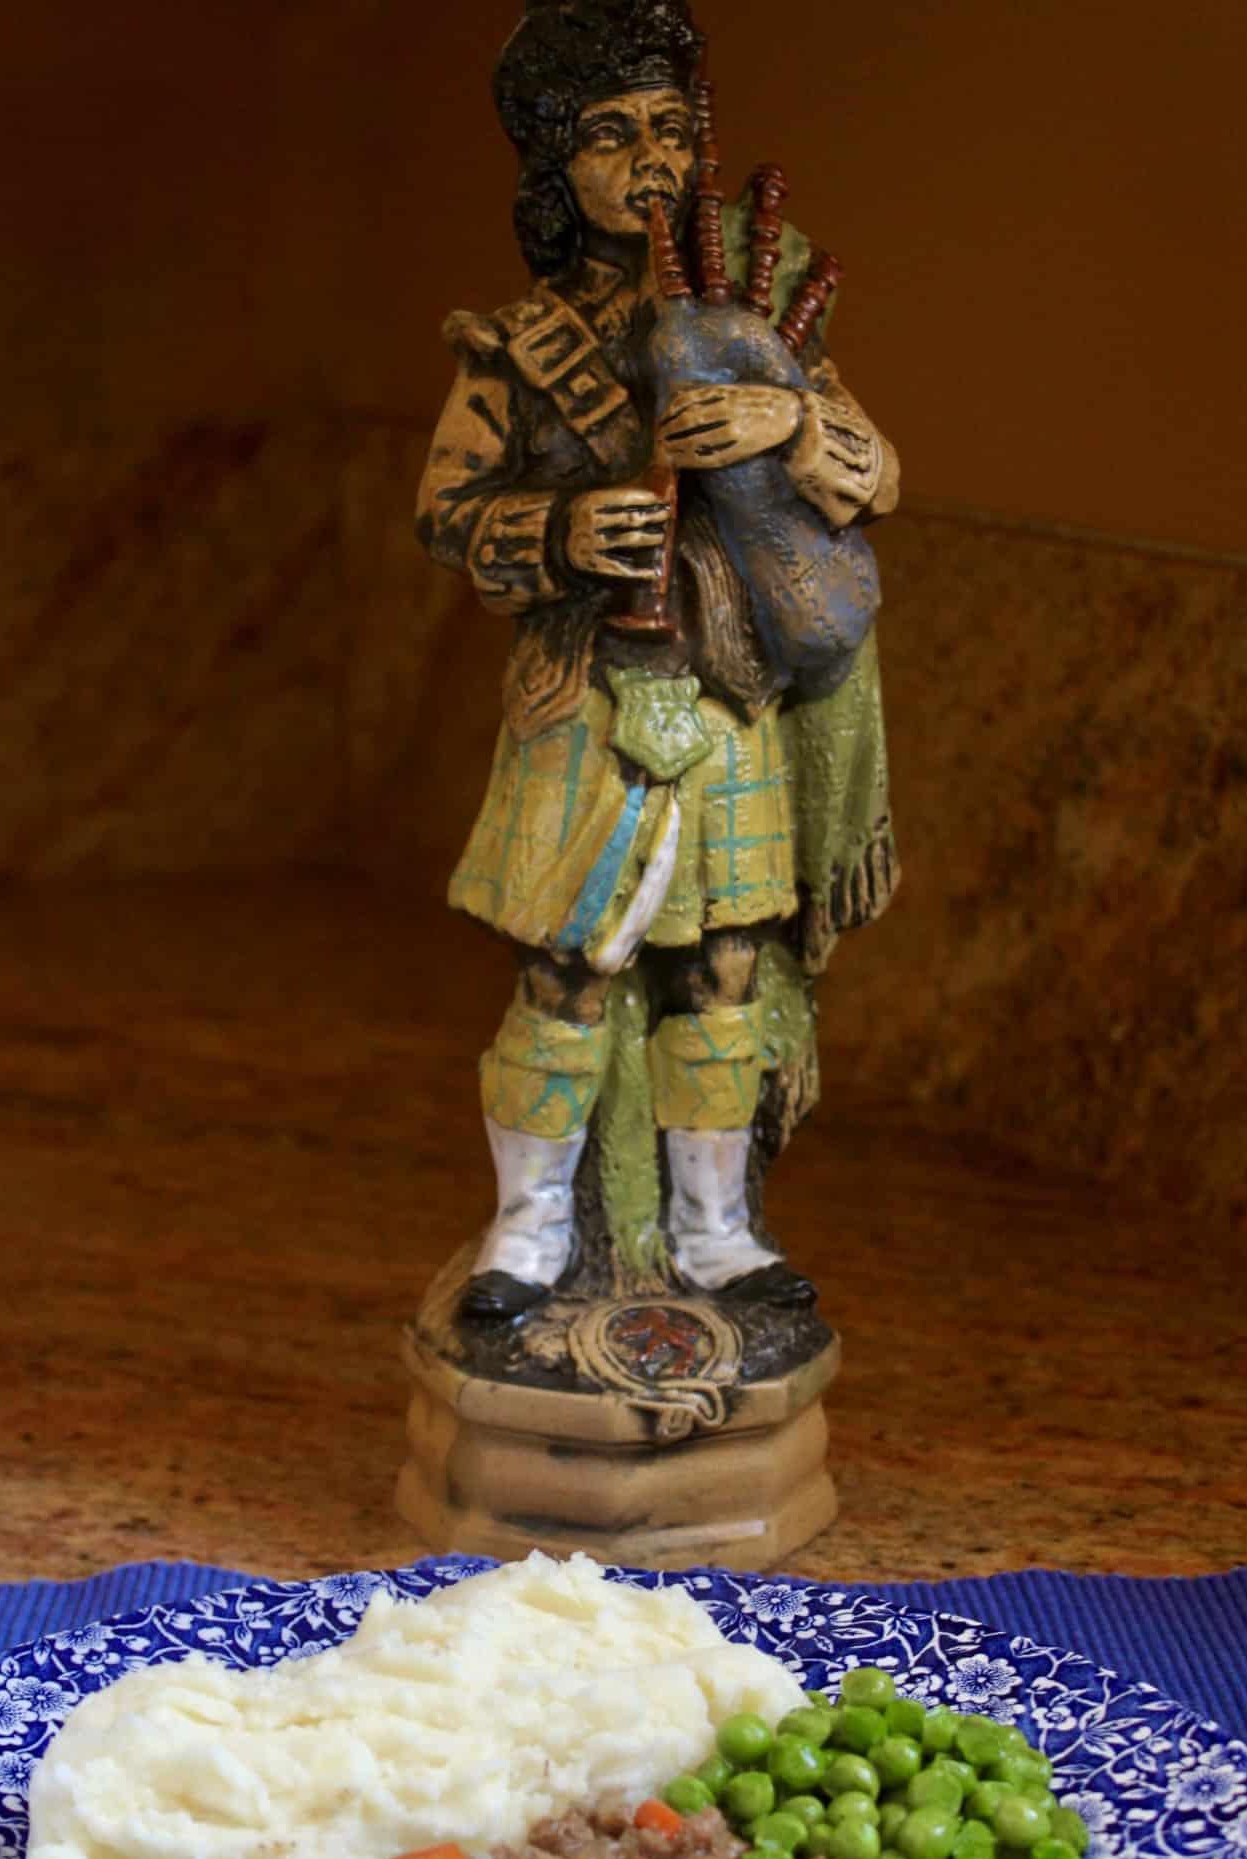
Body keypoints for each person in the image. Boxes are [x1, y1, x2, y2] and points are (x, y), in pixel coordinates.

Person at [416, 0, 900, 1328]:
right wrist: (561, 529)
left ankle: (715, 1231)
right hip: (590, 693)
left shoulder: (756, 308)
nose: (653, 162)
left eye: (675, 130)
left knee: (724, 966)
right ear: (551, 165)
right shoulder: (518, 344)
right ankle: (527, 1231)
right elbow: (451, 517)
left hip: (729, 683)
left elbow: (874, 474)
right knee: (569, 971)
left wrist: (792, 421)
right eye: (614, 135)